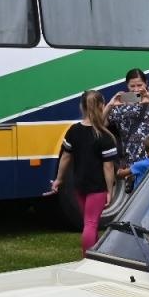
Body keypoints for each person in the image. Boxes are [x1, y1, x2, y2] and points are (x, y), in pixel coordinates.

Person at [50, 90, 119, 254]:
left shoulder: (73, 130)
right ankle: (87, 258)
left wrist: (58, 179)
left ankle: (94, 254)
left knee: (88, 221)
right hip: (97, 187)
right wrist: (110, 190)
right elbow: (108, 167)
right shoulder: (105, 136)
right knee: (91, 223)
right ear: (102, 106)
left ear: (82, 107)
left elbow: (66, 157)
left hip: (79, 185)